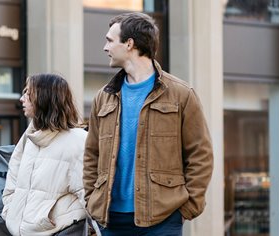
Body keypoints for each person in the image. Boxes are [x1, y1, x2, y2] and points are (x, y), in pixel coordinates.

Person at [83, 12, 214, 236]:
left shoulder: (181, 95)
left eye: (110, 40)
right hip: (111, 221)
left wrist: (187, 208)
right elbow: (91, 155)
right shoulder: (103, 97)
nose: (105, 48)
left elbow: (200, 155)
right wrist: (91, 201)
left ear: (130, 44)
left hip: (162, 220)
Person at [1, 74, 88, 236]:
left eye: (28, 93)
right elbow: (12, 183)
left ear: (44, 97)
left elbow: (90, 197)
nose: (21, 99)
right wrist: (10, 211)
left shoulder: (78, 141)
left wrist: (48, 218)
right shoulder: (30, 137)